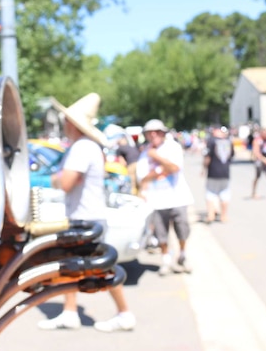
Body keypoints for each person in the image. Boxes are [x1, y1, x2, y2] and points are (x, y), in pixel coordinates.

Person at [37, 93, 136, 333]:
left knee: (101, 267)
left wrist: (55, 179)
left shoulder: (81, 148)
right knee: (76, 264)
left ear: (72, 123)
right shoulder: (87, 146)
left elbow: (67, 181)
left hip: (86, 219)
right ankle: (71, 312)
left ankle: (124, 314)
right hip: (85, 216)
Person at [137, 118, 194, 276]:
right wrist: (159, 171)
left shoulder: (172, 147)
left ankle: (182, 255)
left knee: (182, 229)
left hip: (177, 197)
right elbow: (143, 178)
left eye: (157, 132)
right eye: (150, 132)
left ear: (163, 133)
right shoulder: (144, 153)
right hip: (156, 200)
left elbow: (175, 167)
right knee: (161, 234)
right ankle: (166, 259)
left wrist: (156, 157)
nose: (154, 135)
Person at [202, 126, 234, 223]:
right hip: (225, 171)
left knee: (210, 193)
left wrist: (204, 168)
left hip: (213, 171)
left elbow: (207, 156)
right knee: (225, 194)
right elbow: (231, 156)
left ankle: (211, 215)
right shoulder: (229, 141)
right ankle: (223, 216)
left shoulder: (211, 141)